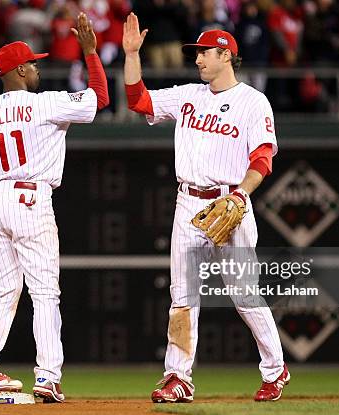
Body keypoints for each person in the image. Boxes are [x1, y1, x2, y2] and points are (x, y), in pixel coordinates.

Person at [122, 13, 289, 403]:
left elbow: (262, 158)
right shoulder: (187, 95)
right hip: (188, 204)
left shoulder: (252, 102)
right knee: (182, 297)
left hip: (230, 201)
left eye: (204, 53)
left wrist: (241, 195)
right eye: (196, 53)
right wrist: (132, 55)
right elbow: (137, 100)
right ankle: (178, 377)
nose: (197, 59)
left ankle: (275, 368)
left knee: (244, 294)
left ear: (225, 55)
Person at [0, 13, 108, 403]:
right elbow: (100, 98)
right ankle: (48, 376)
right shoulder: (46, 104)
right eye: (32, 63)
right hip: (30, 199)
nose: (36, 67)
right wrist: (90, 53)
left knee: (2, 290)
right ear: (20, 71)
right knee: (44, 292)